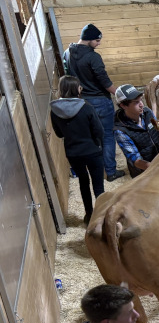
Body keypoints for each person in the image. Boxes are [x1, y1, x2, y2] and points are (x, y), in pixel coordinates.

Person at [62, 24, 123, 181]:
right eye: (97, 40)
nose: (99, 43)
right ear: (88, 39)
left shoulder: (67, 53)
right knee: (107, 135)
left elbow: (68, 77)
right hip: (100, 101)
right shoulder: (93, 57)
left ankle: (92, 169)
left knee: (90, 136)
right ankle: (110, 172)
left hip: (81, 102)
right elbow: (104, 81)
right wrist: (120, 94)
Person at [50, 75, 104, 224]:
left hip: (73, 153)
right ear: (76, 89)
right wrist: (97, 143)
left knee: (83, 182)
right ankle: (101, 217)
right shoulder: (87, 107)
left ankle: (88, 214)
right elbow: (99, 131)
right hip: (92, 151)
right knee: (98, 186)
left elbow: (59, 134)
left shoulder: (55, 110)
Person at [113, 84, 159, 179]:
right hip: (144, 172)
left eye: (141, 100)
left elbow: (158, 129)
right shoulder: (120, 130)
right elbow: (135, 159)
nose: (142, 105)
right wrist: (158, 168)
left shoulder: (147, 112)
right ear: (123, 105)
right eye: (136, 102)